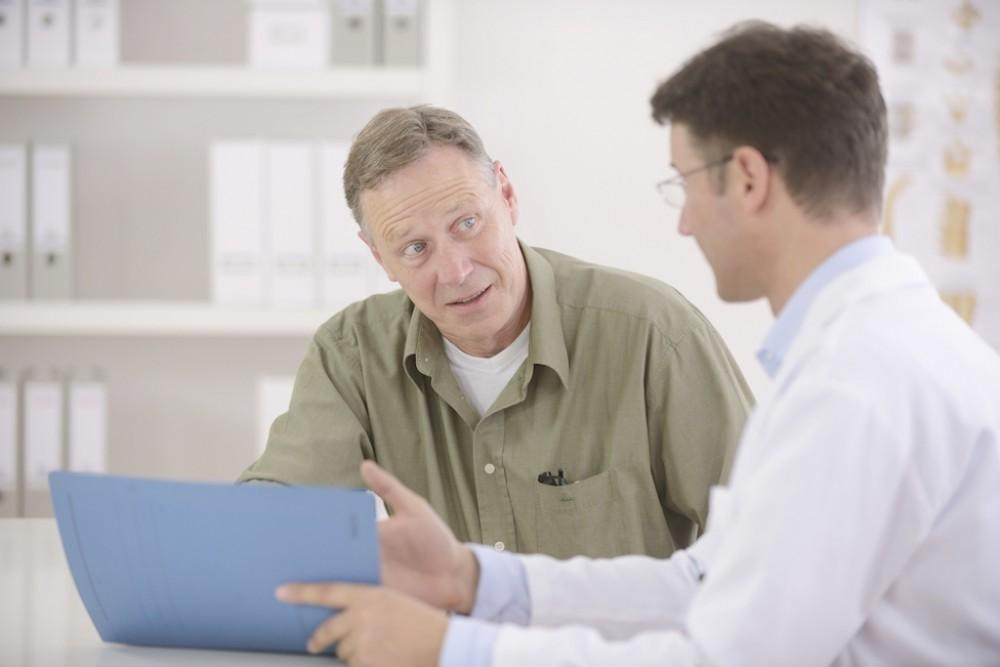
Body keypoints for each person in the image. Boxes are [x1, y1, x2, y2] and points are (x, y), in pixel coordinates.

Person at [274, 21, 1000, 666]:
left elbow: (728, 655)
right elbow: (707, 581)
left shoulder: (856, 382)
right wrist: (478, 579)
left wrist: (456, 649)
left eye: (685, 183)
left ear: (749, 178)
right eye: (415, 247)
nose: (684, 221)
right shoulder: (884, 348)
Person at [239, 106, 753, 559]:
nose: (456, 270)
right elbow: (272, 519)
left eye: (467, 223)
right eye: (415, 248)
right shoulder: (353, 355)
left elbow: (766, 536)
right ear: (380, 258)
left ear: (506, 195)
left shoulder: (654, 335)